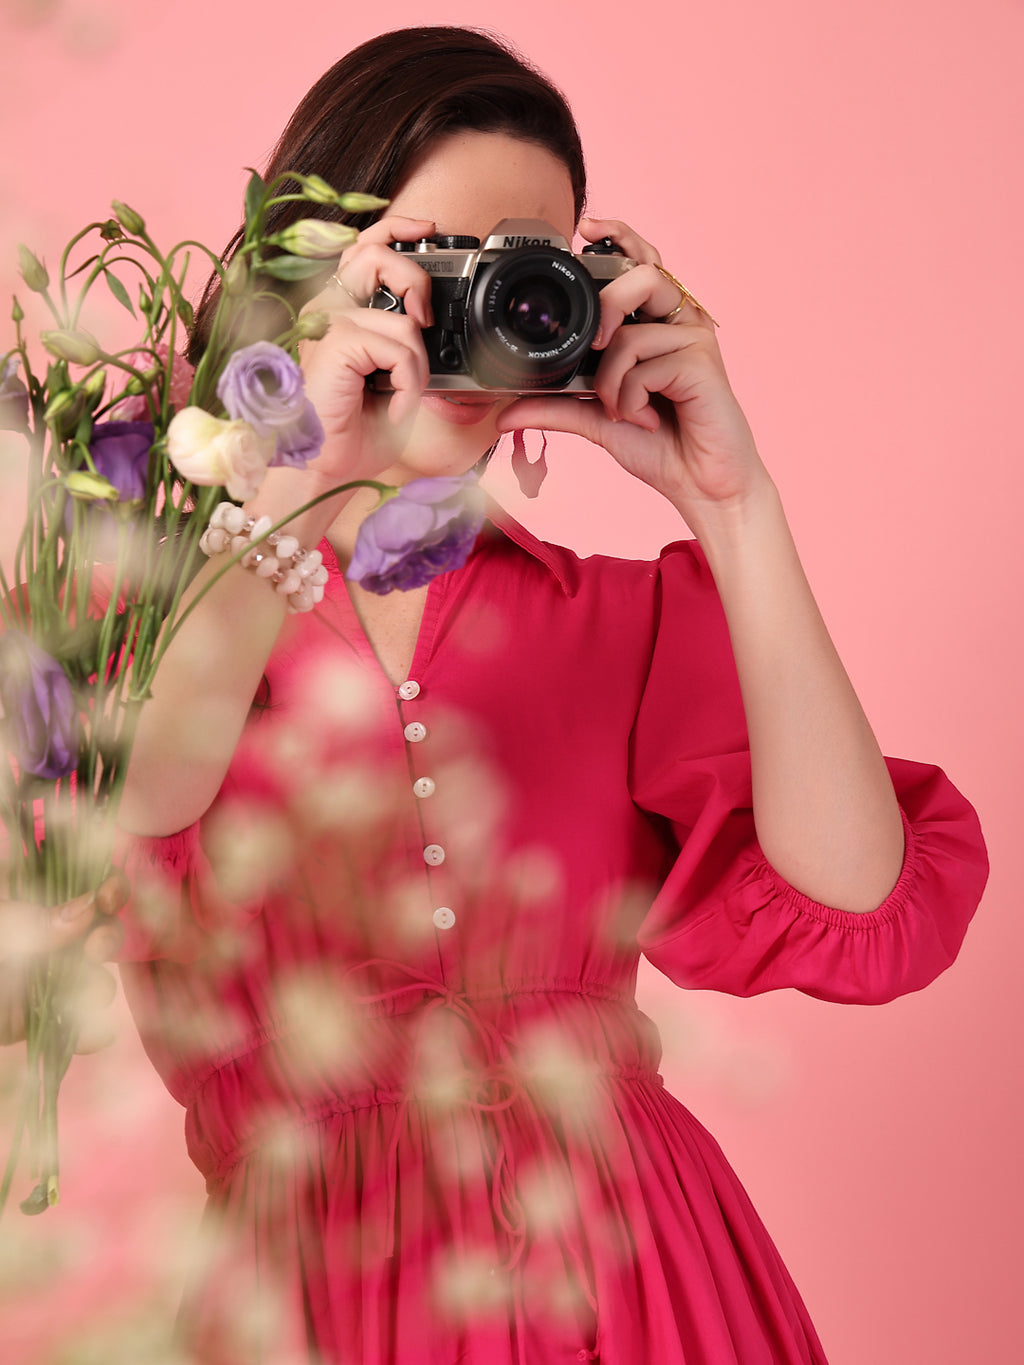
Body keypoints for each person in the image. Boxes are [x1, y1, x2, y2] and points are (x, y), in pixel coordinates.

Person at [36, 25, 988, 1364]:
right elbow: (110, 822)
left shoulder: (623, 619)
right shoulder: (150, 606)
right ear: (317, 264)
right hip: (315, 1296)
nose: (478, 310)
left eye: (524, 271)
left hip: (647, 1277)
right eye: (437, 263)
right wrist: (298, 478)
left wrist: (736, 507)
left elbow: (858, 902)